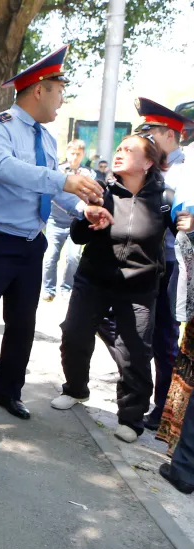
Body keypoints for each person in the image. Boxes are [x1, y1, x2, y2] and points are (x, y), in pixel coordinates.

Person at [0, 45, 103, 436]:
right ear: (38, 90)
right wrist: (62, 179)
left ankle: (7, 391)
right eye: (59, 90)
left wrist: (82, 207)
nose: (61, 98)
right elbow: (3, 169)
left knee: (22, 325)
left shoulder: (47, 140)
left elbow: (52, 189)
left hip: (31, 244)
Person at [51, 135, 183, 446]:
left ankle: (131, 418)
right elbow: (79, 235)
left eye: (129, 150)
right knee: (74, 334)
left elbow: (180, 237)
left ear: (148, 162)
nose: (120, 153)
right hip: (93, 279)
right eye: (119, 148)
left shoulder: (164, 198)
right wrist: (88, 218)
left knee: (134, 353)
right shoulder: (101, 190)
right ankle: (75, 389)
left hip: (139, 287)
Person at [134, 98, 194, 432]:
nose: (148, 140)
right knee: (136, 331)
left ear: (170, 135)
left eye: (152, 133)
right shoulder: (152, 166)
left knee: (165, 340)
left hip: (174, 265)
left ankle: (164, 411)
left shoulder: (187, 169)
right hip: (144, 262)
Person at [41, 139, 92, 302]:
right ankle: (49, 289)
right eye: (72, 153)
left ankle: (66, 288)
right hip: (55, 221)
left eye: (78, 154)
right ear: (67, 152)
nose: (75, 157)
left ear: (83, 155)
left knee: (73, 257)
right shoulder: (59, 171)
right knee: (50, 257)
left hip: (75, 222)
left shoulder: (88, 174)